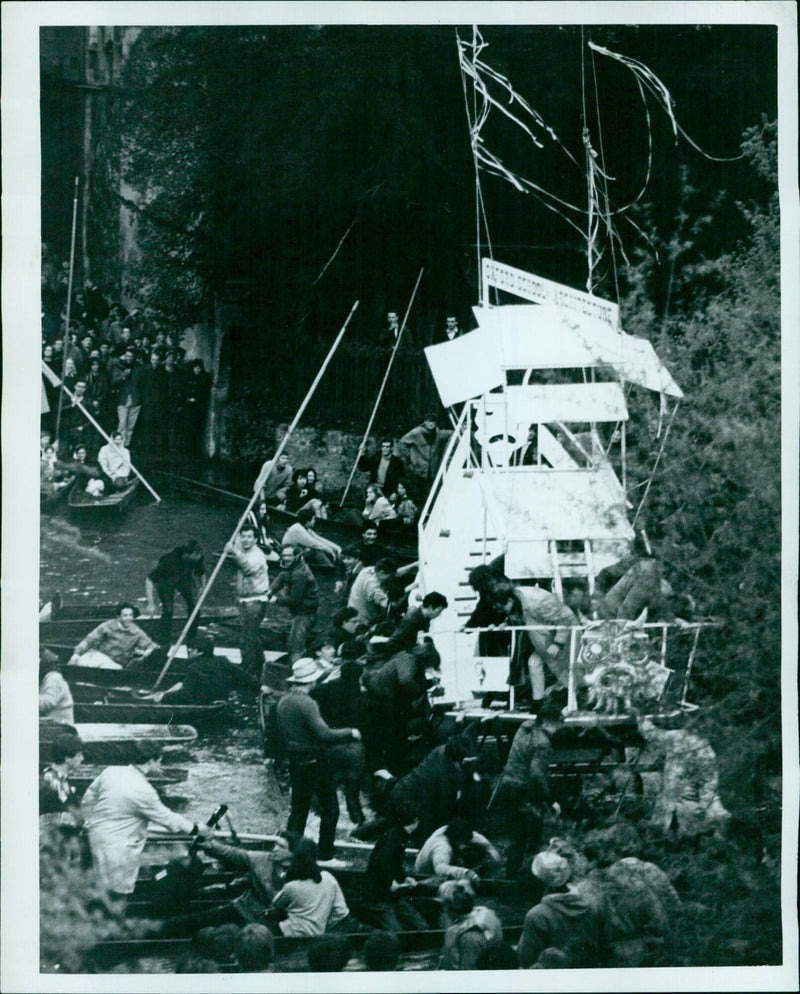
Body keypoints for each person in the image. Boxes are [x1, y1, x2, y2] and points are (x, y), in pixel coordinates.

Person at [81, 740, 198, 898]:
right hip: (117, 850)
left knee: (97, 886)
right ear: (151, 761)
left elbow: (88, 799)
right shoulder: (144, 790)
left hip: (95, 839)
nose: (160, 764)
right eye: (159, 760)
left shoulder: (111, 772)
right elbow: (168, 819)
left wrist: (90, 822)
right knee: (117, 894)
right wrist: (197, 829)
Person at [275, 658, 362, 863]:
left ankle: (290, 853)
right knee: (331, 808)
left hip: (296, 761)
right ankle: (325, 855)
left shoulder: (284, 701)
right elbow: (324, 734)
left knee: (299, 810)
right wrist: (351, 732)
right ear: (312, 681)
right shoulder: (307, 703)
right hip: (314, 760)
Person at [161, 836, 293, 934]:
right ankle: (159, 928)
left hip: (268, 928)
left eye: (281, 846)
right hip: (243, 910)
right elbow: (232, 853)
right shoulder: (262, 859)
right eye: (275, 844)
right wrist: (208, 844)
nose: (275, 849)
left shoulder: (301, 874)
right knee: (198, 920)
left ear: (292, 852)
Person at [492, 696, 563, 878]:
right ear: (547, 721)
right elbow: (537, 774)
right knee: (532, 837)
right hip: (524, 792)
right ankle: (532, 878)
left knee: (515, 839)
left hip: (507, 787)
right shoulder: (543, 744)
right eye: (558, 723)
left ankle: (511, 877)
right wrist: (551, 800)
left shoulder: (524, 727)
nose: (559, 727)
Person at [637, 714, 731, 840]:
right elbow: (708, 786)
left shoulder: (681, 738)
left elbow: (652, 734)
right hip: (675, 805)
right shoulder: (701, 748)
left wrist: (639, 716)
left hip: (683, 806)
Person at [517, 850, 610, 968]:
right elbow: (605, 947)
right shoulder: (594, 905)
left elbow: (526, 959)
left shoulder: (537, 915)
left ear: (539, 882)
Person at [362, 642, 441, 775]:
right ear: (425, 658)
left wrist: (427, 684)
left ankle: (397, 760)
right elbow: (405, 680)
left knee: (397, 729)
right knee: (396, 731)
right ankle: (397, 764)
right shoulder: (410, 659)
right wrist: (419, 690)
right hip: (381, 698)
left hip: (381, 695)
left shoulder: (405, 654)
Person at [498, 583, 579, 706]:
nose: (500, 611)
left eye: (501, 608)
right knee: (533, 663)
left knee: (564, 671)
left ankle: (573, 703)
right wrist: (507, 624)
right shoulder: (517, 602)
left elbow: (566, 618)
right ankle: (538, 702)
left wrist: (558, 642)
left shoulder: (537, 601)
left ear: (509, 601)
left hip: (565, 638)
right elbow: (519, 618)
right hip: (545, 642)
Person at [311, 660, 367, 826]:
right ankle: (357, 820)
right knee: (353, 791)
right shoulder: (361, 695)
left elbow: (312, 693)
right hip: (354, 747)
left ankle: (318, 818)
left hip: (330, 743)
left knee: (327, 787)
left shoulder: (326, 688)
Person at [357, 819, 428, 933]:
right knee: (397, 932)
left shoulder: (398, 836)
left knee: (422, 926)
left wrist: (404, 878)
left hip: (391, 897)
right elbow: (380, 862)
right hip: (378, 898)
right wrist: (389, 882)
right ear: (415, 822)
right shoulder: (394, 838)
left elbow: (394, 865)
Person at [269, 838, 351, 936]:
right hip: (319, 932)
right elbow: (340, 912)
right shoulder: (328, 878)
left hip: (290, 933)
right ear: (316, 858)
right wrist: (323, 922)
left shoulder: (291, 886)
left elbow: (275, 904)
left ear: (295, 859)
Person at [226, 523, 271, 676]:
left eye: (249, 537)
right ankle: (260, 666)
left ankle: (247, 673)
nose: (245, 540)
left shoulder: (257, 555)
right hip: (246, 601)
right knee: (251, 636)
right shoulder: (242, 550)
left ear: (255, 539)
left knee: (246, 640)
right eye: (243, 536)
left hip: (255, 602)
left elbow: (248, 569)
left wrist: (234, 553)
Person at [145, 539, 206, 644]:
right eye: (196, 555)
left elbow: (201, 572)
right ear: (187, 555)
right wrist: (151, 603)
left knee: (195, 607)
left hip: (184, 578)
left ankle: (192, 636)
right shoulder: (169, 561)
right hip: (166, 580)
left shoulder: (197, 557)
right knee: (168, 610)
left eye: (199, 554)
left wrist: (203, 587)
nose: (199, 557)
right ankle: (164, 640)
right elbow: (149, 579)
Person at [68, 602, 159, 669]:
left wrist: (149, 651)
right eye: (125, 615)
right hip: (97, 654)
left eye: (130, 615)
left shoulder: (136, 633)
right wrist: (76, 654)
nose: (129, 618)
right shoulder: (107, 626)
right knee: (76, 663)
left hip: (115, 663)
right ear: (118, 617)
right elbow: (90, 639)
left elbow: (152, 645)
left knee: (111, 670)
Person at [437, 879, 504, 970]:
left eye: (443, 905)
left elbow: (468, 972)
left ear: (451, 908)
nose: (442, 910)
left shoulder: (468, 937)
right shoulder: (485, 914)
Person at [268, 544, 319, 662]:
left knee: (295, 646)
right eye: (284, 555)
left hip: (305, 614)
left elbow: (294, 600)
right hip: (301, 612)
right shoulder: (293, 566)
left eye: (289, 555)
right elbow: (282, 576)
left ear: (297, 556)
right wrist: (270, 591)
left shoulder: (299, 574)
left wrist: (275, 600)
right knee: (296, 642)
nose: (285, 558)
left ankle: (298, 667)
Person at [414, 818, 501, 884]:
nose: (464, 845)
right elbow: (440, 869)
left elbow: (475, 837)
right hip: (427, 877)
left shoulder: (451, 829)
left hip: (442, 864)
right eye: (463, 843)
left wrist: (490, 849)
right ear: (458, 840)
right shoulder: (442, 847)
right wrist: (467, 873)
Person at [397, 413, 453, 503]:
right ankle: (418, 515)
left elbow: (452, 433)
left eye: (433, 421)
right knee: (418, 495)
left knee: (432, 495)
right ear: (424, 422)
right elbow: (402, 443)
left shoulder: (439, 433)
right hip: (418, 470)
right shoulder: (416, 433)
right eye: (428, 421)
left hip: (433, 471)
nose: (431, 423)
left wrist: (464, 428)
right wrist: (409, 460)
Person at [39, 730, 84, 831]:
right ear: (68, 758)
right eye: (79, 755)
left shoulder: (59, 778)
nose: (82, 758)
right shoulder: (50, 783)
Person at [382, 592, 448, 656]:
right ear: (430, 607)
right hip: (399, 656)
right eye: (439, 611)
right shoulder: (411, 620)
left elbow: (425, 639)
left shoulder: (425, 619)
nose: (439, 614)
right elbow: (393, 643)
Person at [347, 558, 395, 628]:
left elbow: (396, 573)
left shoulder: (368, 570)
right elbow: (383, 603)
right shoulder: (372, 585)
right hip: (361, 621)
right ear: (382, 572)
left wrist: (414, 565)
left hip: (352, 610)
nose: (390, 578)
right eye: (390, 576)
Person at [110, 346, 144, 446]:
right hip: (123, 398)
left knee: (131, 424)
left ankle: (127, 444)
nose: (129, 358)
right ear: (124, 356)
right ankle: (119, 444)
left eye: (131, 356)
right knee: (122, 423)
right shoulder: (118, 366)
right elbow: (113, 381)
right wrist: (124, 375)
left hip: (135, 399)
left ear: (134, 357)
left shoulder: (138, 367)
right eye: (127, 356)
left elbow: (142, 383)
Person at [180, 358, 211, 458]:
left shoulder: (205, 378)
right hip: (188, 407)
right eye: (195, 368)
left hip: (198, 408)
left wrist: (196, 398)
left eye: (199, 368)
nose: (197, 370)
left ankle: (195, 450)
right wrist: (187, 399)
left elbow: (205, 393)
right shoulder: (188, 377)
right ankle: (186, 449)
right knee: (187, 428)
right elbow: (184, 391)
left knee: (197, 428)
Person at [39, 652, 74, 725]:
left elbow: (49, 701)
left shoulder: (54, 678)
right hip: (48, 725)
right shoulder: (42, 678)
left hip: (61, 727)